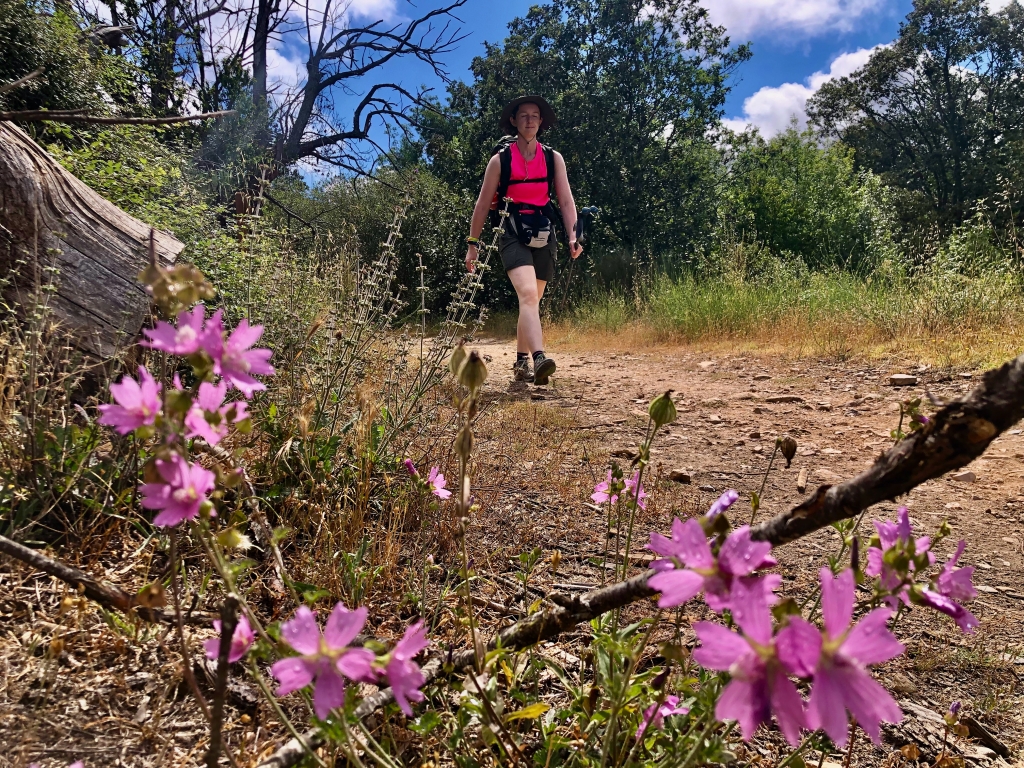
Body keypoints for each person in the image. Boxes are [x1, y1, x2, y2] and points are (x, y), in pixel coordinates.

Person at [464, 95, 583, 385]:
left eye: (535, 116)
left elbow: (566, 201)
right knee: (528, 295)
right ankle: (539, 357)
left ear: (541, 122)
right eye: (524, 116)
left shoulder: (553, 159)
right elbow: (481, 205)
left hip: (544, 231)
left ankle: (519, 363)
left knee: (530, 301)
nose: (529, 120)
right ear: (514, 121)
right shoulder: (500, 161)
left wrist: (574, 235)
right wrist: (472, 244)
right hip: (511, 232)